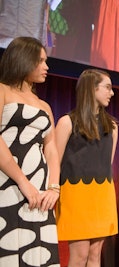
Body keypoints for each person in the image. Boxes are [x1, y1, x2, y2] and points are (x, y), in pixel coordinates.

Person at [0, 36, 60, 266]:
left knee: (38, 250)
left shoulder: (44, 105)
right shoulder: (2, 91)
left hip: (40, 191)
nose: (46, 67)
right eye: (41, 61)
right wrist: (23, 183)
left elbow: (51, 148)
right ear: (24, 60)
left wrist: (53, 188)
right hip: (8, 182)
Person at [55, 69, 118, 267]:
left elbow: (107, 162)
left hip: (101, 194)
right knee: (79, 254)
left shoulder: (112, 127)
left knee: (95, 254)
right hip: (75, 194)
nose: (112, 93)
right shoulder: (67, 122)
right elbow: (54, 162)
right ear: (92, 89)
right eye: (107, 87)